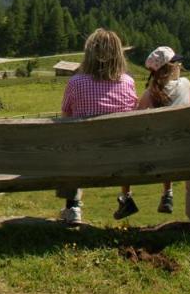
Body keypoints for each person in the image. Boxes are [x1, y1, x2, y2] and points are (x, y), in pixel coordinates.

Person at [59, 28, 138, 225]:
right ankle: (126, 197)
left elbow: (66, 116)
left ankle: (73, 207)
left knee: (72, 146)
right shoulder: (128, 82)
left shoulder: (76, 82)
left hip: (84, 157)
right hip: (120, 157)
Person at [114, 46, 190, 218]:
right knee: (171, 140)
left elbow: (133, 120)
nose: (180, 65)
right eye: (178, 63)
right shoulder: (185, 84)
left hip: (157, 157)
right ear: (172, 67)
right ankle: (168, 194)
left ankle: (127, 197)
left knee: (148, 144)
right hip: (186, 153)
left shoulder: (150, 93)